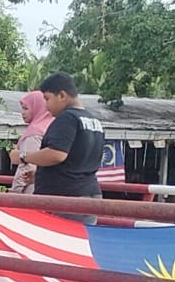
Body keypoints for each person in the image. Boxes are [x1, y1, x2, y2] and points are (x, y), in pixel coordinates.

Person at [19, 72, 105, 224]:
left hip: (65, 199)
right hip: (88, 193)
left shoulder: (67, 118)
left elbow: (57, 154)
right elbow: (77, 161)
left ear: (62, 95)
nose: (45, 105)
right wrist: (41, 175)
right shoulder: (93, 120)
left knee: (55, 244)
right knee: (78, 243)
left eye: (47, 99)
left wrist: (23, 155)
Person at [8, 91, 55, 194]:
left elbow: (27, 166)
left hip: (31, 192)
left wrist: (14, 192)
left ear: (37, 108)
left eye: (26, 108)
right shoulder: (53, 127)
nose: (22, 112)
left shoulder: (34, 132)